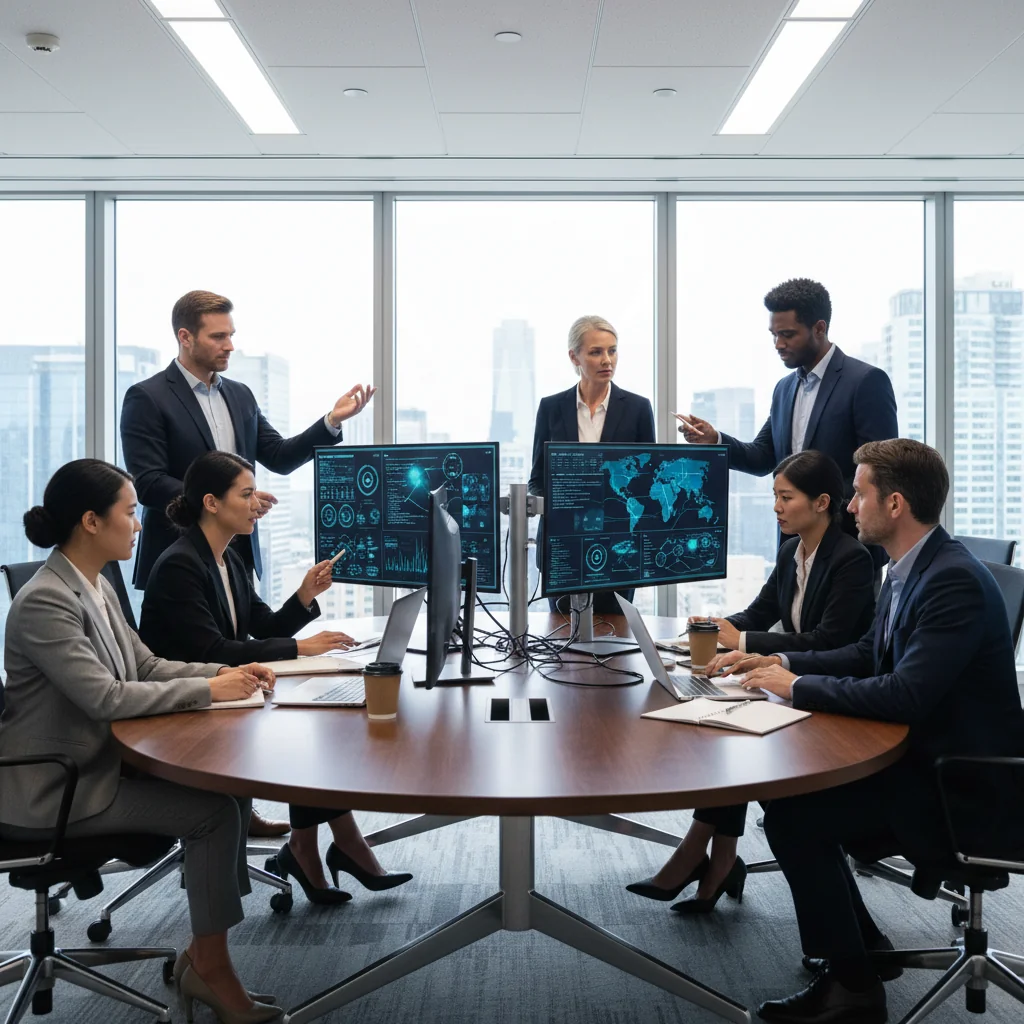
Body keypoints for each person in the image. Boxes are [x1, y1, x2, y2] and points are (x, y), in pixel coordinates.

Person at [727, 439, 1024, 1024]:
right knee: (789, 795)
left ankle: (854, 988)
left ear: (894, 503)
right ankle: (861, 952)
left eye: (858, 494)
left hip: (963, 788)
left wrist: (798, 689)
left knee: (795, 813)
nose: (849, 507)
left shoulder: (950, 581)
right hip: (921, 760)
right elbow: (869, 654)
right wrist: (782, 667)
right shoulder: (909, 566)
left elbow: (905, 692)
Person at [0, 459, 283, 1022]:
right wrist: (208, 692)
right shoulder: (46, 601)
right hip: (56, 788)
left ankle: (205, 961)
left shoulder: (95, 585)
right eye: (129, 512)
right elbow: (106, 697)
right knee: (215, 814)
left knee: (228, 794)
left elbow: (146, 665)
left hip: (95, 766)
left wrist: (227, 676)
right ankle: (211, 969)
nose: (138, 524)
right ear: (90, 521)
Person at [121, 288, 375, 838]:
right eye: (219, 336)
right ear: (185, 337)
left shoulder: (238, 394)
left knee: (260, 656)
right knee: (222, 660)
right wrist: (210, 501)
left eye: (232, 335)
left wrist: (330, 422)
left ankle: (241, 804)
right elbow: (144, 480)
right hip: (182, 550)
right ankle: (223, 805)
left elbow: (279, 457)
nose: (230, 345)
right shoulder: (148, 397)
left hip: (228, 547)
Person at [139, 451, 412, 905]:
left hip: (231, 694)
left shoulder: (231, 559)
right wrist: (303, 648)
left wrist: (305, 595)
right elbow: (213, 651)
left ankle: (316, 848)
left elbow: (262, 626)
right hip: (187, 709)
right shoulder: (179, 566)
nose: (257, 503)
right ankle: (332, 846)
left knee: (317, 723)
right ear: (211, 502)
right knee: (308, 731)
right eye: (246, 495)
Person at [626, 450, 875, 914]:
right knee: (728, 731)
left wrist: (740, 639)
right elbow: (760, 613)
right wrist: (711, 628)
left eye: (786, 497)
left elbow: (830, 638)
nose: (777, 507)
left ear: (822, 502)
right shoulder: (791, 550)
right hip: (789, 684)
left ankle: (703, 855)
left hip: (831, 693)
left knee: (737, 738)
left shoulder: (851, 560)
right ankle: (717, 857)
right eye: (774, 497)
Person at [676, 278, 898, 569]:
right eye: (774, 334)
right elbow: (762, 457)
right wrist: (714, 440)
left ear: (819, 328)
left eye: (788, 335)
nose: (778, 344)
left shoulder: (866, 382)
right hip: (795, 547)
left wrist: (818, 509)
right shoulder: (784, 389)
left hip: (849, 549)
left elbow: (879, 473)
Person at [528, 315, 656, 614]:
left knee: (615, 638)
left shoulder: (638, 408)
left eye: (612, 351)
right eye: (596, 352)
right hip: (563, 545)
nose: (606, 360)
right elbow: (537, 477)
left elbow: (648, 479)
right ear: (575, 357)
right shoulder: (551, 407)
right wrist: (559, 502)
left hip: (619, 544)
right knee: (559, 642)